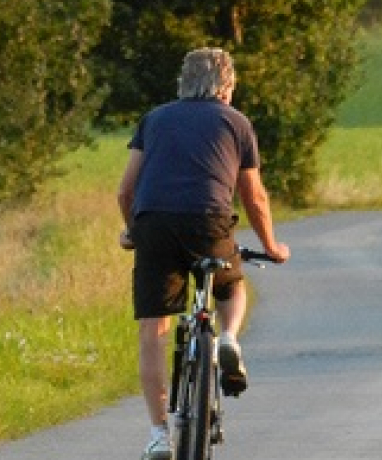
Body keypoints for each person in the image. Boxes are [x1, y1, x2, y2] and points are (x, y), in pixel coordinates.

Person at [116, 47, 290, 460]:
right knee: (231, 286)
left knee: (153, 329)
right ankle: (227, 338)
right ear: (226, 86)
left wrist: (134, 232)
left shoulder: (154, 120)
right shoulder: (237, 123)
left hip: (155, 224)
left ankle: (159, 434)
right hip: (209, 223)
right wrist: (270, 246)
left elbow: (126, 190)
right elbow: (255, 196)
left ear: (183, 82)